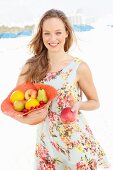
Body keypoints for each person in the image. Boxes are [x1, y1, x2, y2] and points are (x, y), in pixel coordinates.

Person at [15, 9, 110, 170]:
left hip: (76, 141)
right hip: (47, 144)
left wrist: (79, 104)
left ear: (66, 33)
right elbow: (15, 105)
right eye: (47, 33)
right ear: (41, 35)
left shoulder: (79, 67)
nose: (53, 39)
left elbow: (95, 102)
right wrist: (29, 119)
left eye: (58, 32)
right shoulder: (31, 66)